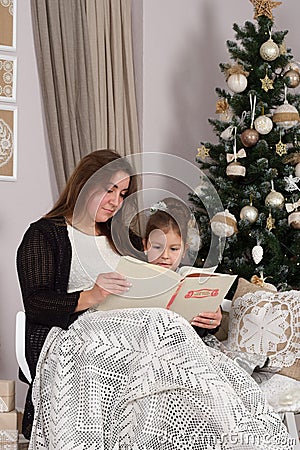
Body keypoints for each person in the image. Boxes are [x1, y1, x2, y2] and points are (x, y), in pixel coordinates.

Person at [16, 149, 140, 439]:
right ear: (84, 185)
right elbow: (35, 303)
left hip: (133, 331)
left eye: (122, 194)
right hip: (78, 335)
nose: (115, 202)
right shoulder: (45, 234)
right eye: (110, 190)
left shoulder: (126, 239)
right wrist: (91, 296)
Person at [142, 197, 222, 338]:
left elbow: (202, 329)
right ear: (145, 245)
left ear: (184, 250)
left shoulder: (189, 278)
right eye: (157, 247)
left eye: (174, 249)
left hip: (184, 343)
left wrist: (213, 316)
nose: (165, 255)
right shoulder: (136, 275)